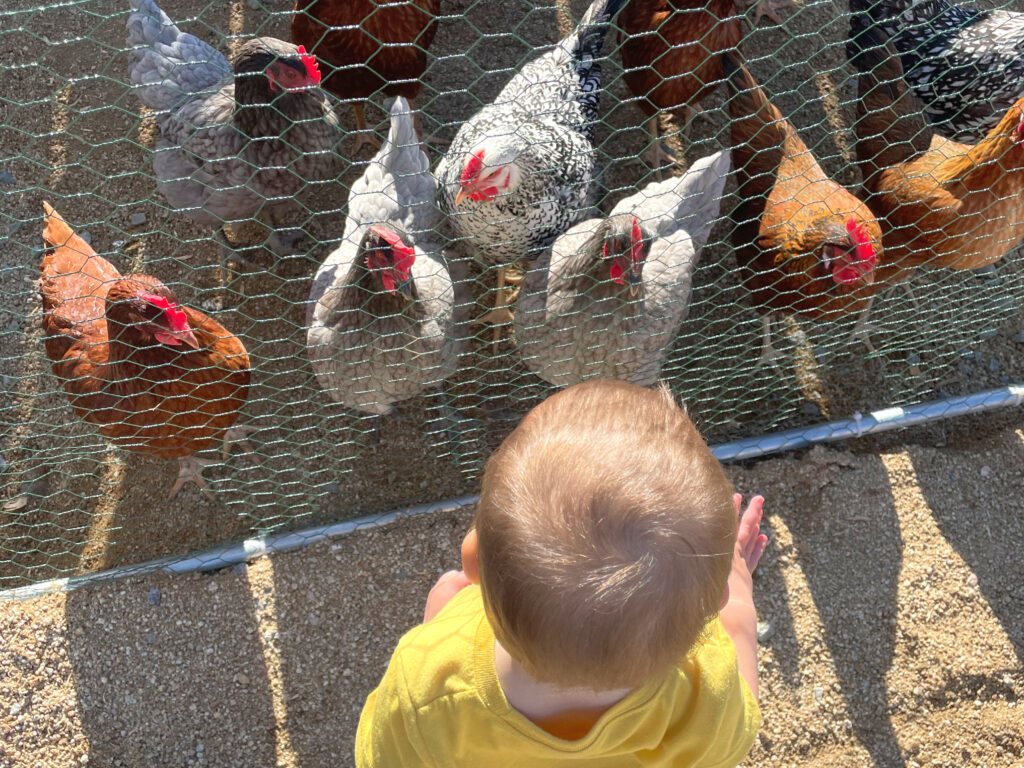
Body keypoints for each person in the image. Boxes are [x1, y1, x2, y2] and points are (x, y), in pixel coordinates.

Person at [355, 378, 767, 767]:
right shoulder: (703, 694)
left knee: (446, 591)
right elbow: (734, 735)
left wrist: (437, 625)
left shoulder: (427, 689)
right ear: (710, 606)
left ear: (473, 558)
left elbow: (384, 756)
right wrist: (737, 588)